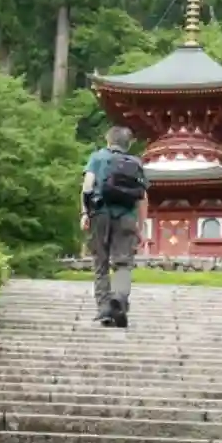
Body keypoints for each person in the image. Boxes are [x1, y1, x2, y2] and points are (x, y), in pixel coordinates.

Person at [82, 126, 148, 328]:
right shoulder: (136, 163)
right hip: (126, 216)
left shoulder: (97, 157)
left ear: (108, 140)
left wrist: (85, 213)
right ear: (128, 144)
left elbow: (87, 186)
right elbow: (142, 197)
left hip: (100, 214)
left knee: (100, 263)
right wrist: (141, 227)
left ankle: (104, 308)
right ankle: (119, 298)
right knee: (123, 263)